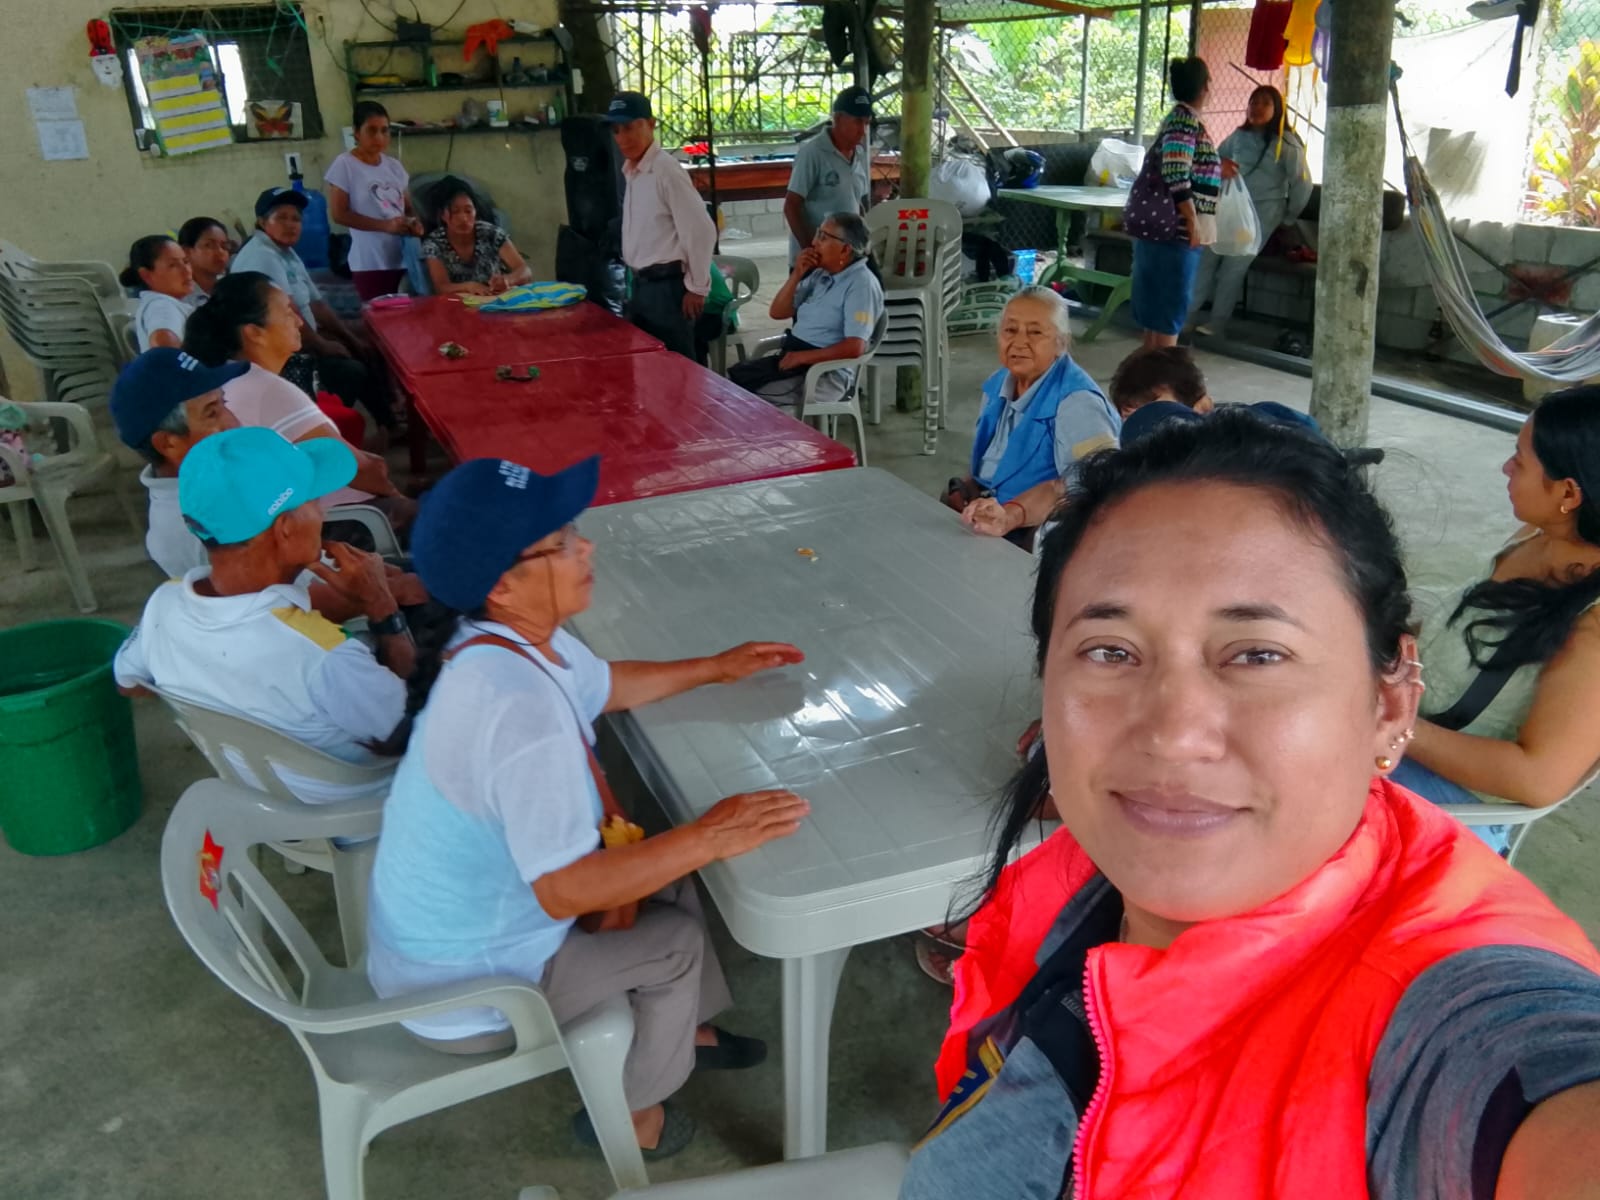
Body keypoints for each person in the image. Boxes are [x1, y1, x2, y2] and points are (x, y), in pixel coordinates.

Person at [899, 411, 1600, 1200]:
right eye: (1111, 651)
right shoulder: (1066, 890)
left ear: (1390, 701)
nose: (1173, 735)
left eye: (1258, 654)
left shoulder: (1451, 1019)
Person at [364, 455, 811, 1157]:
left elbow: (605, 685)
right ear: (505, 584)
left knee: (667, 865)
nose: (586, 547)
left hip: (441, 940)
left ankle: (684, 1033)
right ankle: (632, 1117)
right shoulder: (518, 711)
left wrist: (714, 667)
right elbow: (566, 890)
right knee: (676, 940)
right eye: (563, 540)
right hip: (468, 991)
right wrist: (712, 836)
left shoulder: (496, 639)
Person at [114, 427, 412, 806]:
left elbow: (128, 683)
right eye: (314, 501)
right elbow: (409, 731)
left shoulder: (163, 603)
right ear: (286, 529)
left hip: (258, 797)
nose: (321, 512)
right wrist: (382, 608)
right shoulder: (321, 653)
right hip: (360, 807)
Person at [1391, 386, 1600, 855]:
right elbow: (1468, 628)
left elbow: (1538, 777)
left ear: (1568, 493)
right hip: (1412, 729)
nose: (1506, 468)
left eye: (1519, 461)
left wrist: (1391, 723)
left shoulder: (1593, 623)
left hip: (1458, 804)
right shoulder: (1539, 535)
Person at [109, 347, 424, 618]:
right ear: (167, 443)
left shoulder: (222, 478)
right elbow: (274, 611)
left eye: (224, 404)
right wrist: (387, 593)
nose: (232, 422)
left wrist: (374, 575)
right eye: (212, 413)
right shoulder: (192, 523)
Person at [182, 271, 416, 531]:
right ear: (254, 333)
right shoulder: (266, 389)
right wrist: (398, 497)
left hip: (287, 519)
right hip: (332, 523)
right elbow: (363, 471)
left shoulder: (230, 379)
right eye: (287, 313)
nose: (299, 321)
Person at [943, 286, 1118, 549]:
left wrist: (1011, 515)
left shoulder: (1078, 404)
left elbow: (1092, 486)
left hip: (1036, 530)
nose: (1019, 342)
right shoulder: (998, 385)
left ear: (1061, 343)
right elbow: (989, 461)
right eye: (1010, 330)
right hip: (994, 510)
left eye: (1035, 332)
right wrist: (969, 491)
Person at [232, 186, 398, 434]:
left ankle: (390, 421)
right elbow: (289, 314)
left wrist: (347, 337)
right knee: (349, 369)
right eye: (281, 217)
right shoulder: (263, 256)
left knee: (364, 345)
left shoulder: (286, 252)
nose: (291, 225)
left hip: (302, 337)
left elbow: (317, 304)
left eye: (296, 218)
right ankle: (324, 430)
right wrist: (323, 345)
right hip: (279, 352)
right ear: (262, 222)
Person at [1187, 85, 1313, 338]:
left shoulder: (1287, 143)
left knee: (1233, 267)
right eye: (1253, 102)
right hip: (1229, 207)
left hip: (1263, 213)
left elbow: (1303, 184)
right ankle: (1187, 316)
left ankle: (1217, 324)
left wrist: (1288, 218)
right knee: (1206, 260)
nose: (1257, 108)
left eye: (1265, 103)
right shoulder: (1238, 136)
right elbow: (1213, 160)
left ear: (1277, 109)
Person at [605, 91, 719, 362]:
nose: (622, 138)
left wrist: (697, 287)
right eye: (616, 130)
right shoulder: (633, 172)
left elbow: (701, 230)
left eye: (630, 127)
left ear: (651, 124)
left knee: (678, 368)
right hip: (641, 286)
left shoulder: (665, 170)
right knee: (651, 368)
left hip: (667, 289)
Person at [727, 212, 883, 407]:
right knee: (729, 384)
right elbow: (778, 312)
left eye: (823, 237)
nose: (814, 242)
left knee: (743, 401)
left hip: (824, 374)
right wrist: (797, 275)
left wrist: (802, 358)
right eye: (818, 234)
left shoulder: (861, 284)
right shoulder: (820, 275)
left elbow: (855, 347)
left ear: (845, 250)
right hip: (796, 360)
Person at [1124, 57, 1221, 349]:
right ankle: (1164, 371)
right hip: (1174, 230)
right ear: (1205, 87)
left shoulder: (1180, 119)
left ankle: (1150, 369)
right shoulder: (1185, 120)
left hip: (1163, 229)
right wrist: (1192, 220)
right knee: (1169, 310)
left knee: (1157, 312)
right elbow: (1176, 171)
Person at [324, 101, 424, 301]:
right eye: (371, 130)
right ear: (356, 132)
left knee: (409, 315)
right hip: (370, 262)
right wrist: (385, 226)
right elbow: (339, 214)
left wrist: (415, 223)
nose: (379, 137)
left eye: (384, 131)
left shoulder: (394, 166)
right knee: (378, 315)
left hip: (403, 258)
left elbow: (407, 207)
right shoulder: (345, 165)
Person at [783, 86, 873, 265]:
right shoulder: (813, 153)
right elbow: (791, 206)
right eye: (857, 122)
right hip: (816, 259)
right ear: (837, 118)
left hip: (848, 257)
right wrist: (812, 250)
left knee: (875, 280)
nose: (862, 130)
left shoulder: (860, 154)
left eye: (867, 123)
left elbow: (858, 202)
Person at [419, 176, 532, 297]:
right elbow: (441, 287)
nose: (463, 218)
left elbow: (525, 270)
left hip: (495, 300)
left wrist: (507, 280)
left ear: (475, 212)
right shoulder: (434, 245)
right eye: (455, 212)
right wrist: (469, 287)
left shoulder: (491, 233)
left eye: (468, 211)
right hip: (457, 304)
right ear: (442, 215)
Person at [121, 235, 195, 351]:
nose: (187, 270)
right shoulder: (161, 306)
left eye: (186, 262)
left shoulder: (166, 303)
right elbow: (164, 349)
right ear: (146, 275)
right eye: (173, 265)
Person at [178, 217, 232, 301]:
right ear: (186, 251)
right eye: (209, 245)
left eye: (224, 246)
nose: (220, 252)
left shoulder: (231, 290)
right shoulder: (177, 297)